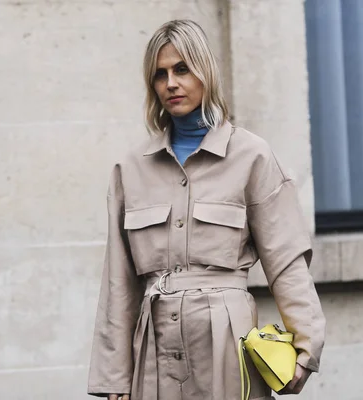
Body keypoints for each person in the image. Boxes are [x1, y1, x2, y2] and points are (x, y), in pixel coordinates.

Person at [87, 19, 326, 400]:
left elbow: (286, 260)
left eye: (182, 69)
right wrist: (113, 376)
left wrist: (307, 343)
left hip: (227, 345)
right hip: (153, 350)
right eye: (160, 74)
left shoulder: (252, 157)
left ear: (205, 72)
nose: (171, 83)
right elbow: (118, 281)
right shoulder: (130, 169)